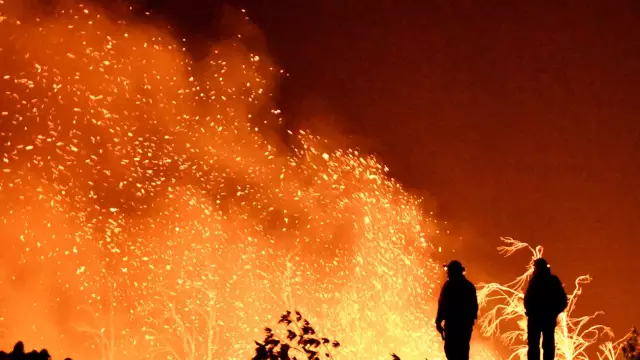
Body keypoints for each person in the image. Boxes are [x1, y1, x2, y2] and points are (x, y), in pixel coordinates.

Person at [524, 258, 568, 360]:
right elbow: (528, 299)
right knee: (537, 346)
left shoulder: (549, 281)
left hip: (542, 319)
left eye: (535, 267)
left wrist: (553, 312)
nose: (534, 269)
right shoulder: (536, 281)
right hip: (539, 319)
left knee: (544, 346)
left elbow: (562, 300)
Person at [435, 260, 478, 360]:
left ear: (453, 272)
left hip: (452, 326)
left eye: (449, 271)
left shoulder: (449, 286)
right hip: (465, 328)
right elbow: (474, 309)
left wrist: (438, 321)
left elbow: (442, 304)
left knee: (451, 352)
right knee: (463, 353)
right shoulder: (469, 287)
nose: (447, 273)